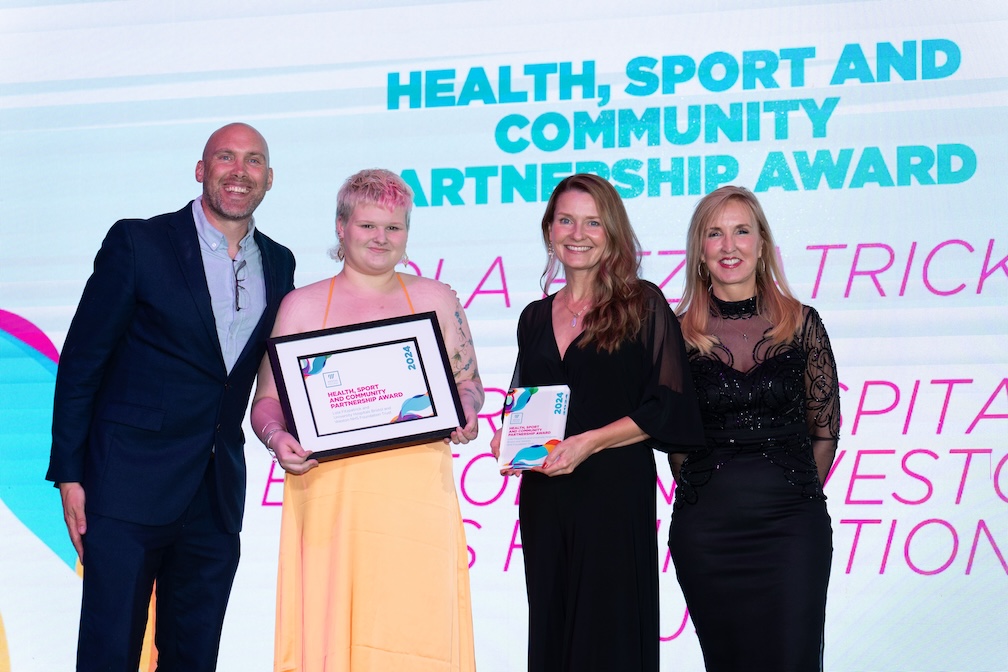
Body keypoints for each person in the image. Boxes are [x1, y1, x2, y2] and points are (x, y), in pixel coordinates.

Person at [46, 123, 296, 671]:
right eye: (225, 157)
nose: (239, 170)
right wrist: (69, 473)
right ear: (201, 170)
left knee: (194, 655)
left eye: (253, 161)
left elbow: (269, 373)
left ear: (269, 179)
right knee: (110, 653)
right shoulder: (140, 242)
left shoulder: (280, 262)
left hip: (215, 493)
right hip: (126, 486)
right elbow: (83, 361)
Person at [249, 168, 484, 672]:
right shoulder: (301, 305)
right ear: (341, 227)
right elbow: (266, 402)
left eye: (394, 228)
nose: (381, 238)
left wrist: (465, 409)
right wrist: (276, 437)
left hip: (415, 494)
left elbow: (468, 383)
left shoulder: (436, 298)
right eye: (368, 226)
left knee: (414, 629)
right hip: (332, 494)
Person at [490, 173, 705, 672]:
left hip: (612, 492)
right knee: (553, 624)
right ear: (549, 230)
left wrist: (591, 441)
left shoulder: (642, 304)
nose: (578, 233)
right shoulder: (533, 317)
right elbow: (526, 399)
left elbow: (668, 405)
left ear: (613, 232)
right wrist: (508, 434)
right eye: (566, 220)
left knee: (608, 634)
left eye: (593, 222)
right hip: (546, 498)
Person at [668, 185, 840, 671]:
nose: (729, 246)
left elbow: (824, 432)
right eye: (714, 233)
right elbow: (674, 444)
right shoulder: (674, 334)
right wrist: (715, 492)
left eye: (741, 231)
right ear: (699, 250)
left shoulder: (803, 323)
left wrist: (792, 493)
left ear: (761, 243)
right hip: (707, 534)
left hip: (792, 530)